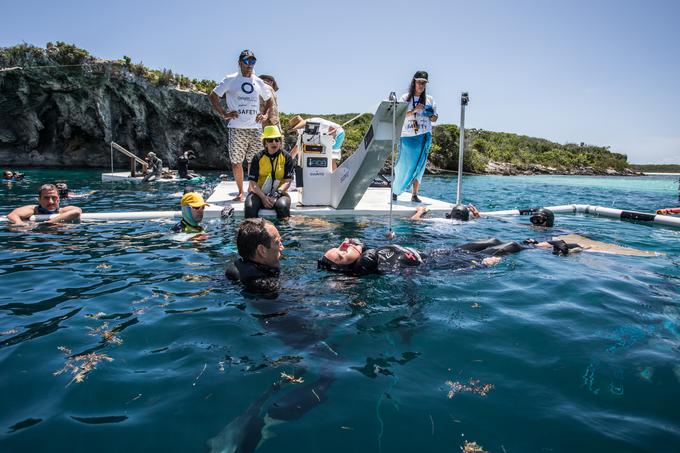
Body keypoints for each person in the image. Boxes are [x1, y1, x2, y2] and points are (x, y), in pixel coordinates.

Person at [209, 50, 273, 201]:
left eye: (253, 61)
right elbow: (213, 95)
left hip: (255, 128)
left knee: (254, 161)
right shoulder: (231, 79)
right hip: (237, 127)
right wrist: (224, 113)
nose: (250, 64)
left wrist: (265, 114)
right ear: (240, 63)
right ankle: (240, 192)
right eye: (247, 61)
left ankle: (251, 189)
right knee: (237, 161)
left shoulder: (258, 81)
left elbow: (269, 99)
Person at [318, 237, 522, 276]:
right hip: (442, 263)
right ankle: (540, 246)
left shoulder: (367, 252)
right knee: (509, 247)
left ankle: (535, 243)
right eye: (342, 252)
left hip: (436, 253)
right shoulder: (370, 265)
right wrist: (479, 266)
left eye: (339, 246)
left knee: (491, 240)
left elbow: (354, 241)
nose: (344, 245)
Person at [392, 70, 438, 202]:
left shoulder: (430, 99)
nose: (421, 85)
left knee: (420, 166)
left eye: (423, 83)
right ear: (414, 82)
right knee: (403, 165)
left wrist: (431, 115)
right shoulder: (405, 98)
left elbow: (435, 119)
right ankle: (395, 191)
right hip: (408, 136)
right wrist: (414, 110)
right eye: (419, 82)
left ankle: (414, 194)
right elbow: (399, 116)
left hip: (424, 136)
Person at [244, 125, 294, 219]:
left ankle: (284, 232)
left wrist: (276, 194)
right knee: (249, 207)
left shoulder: (287, 157)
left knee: (282, 207)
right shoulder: (257, 157)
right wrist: (263, 197)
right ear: (265, 143)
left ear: (280, 142)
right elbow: (252, 183)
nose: (274, 142)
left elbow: (288, 181)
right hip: (259, 193)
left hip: (280, 193)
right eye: (270, 140)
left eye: (277, 139)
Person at [225, 218, 284, 293]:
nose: (282, 247)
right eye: (277, 242)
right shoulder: (264, 286)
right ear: (262, 250)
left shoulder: (238, 267)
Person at [6, 184, 82, 226]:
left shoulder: (63, 211)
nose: (51, 201)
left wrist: (51, 222)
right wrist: (20, 223)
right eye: (46, 198)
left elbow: (77, 211)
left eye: (54, 198)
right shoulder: (34, 209)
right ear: (39, 199)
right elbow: (12, 215)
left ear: (58, 199)